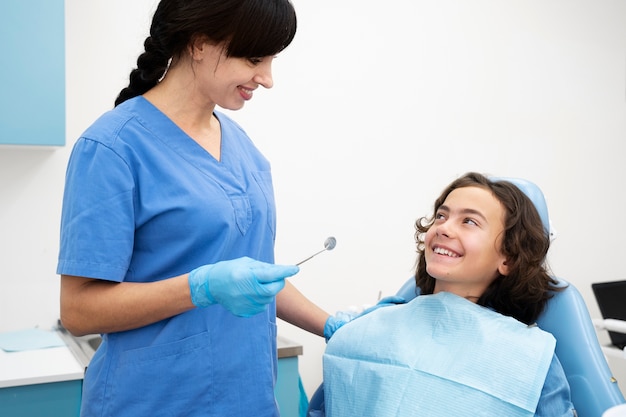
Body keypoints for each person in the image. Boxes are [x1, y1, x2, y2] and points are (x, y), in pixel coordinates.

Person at [57, 1, 330, 416]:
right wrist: (199, 287)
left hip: (247, 399)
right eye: (255, 58)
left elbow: (251, 276)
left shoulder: (245, 150)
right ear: (200, 43)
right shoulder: (113, 148)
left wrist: (332, 325)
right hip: (154, 402)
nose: (268, 78)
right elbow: (78, 311)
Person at [320, 172, 576, 416]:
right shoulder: (370, 325)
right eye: (441, 216)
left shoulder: (530, 358)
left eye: (469, 221)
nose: (443, 228)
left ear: (507, 258)